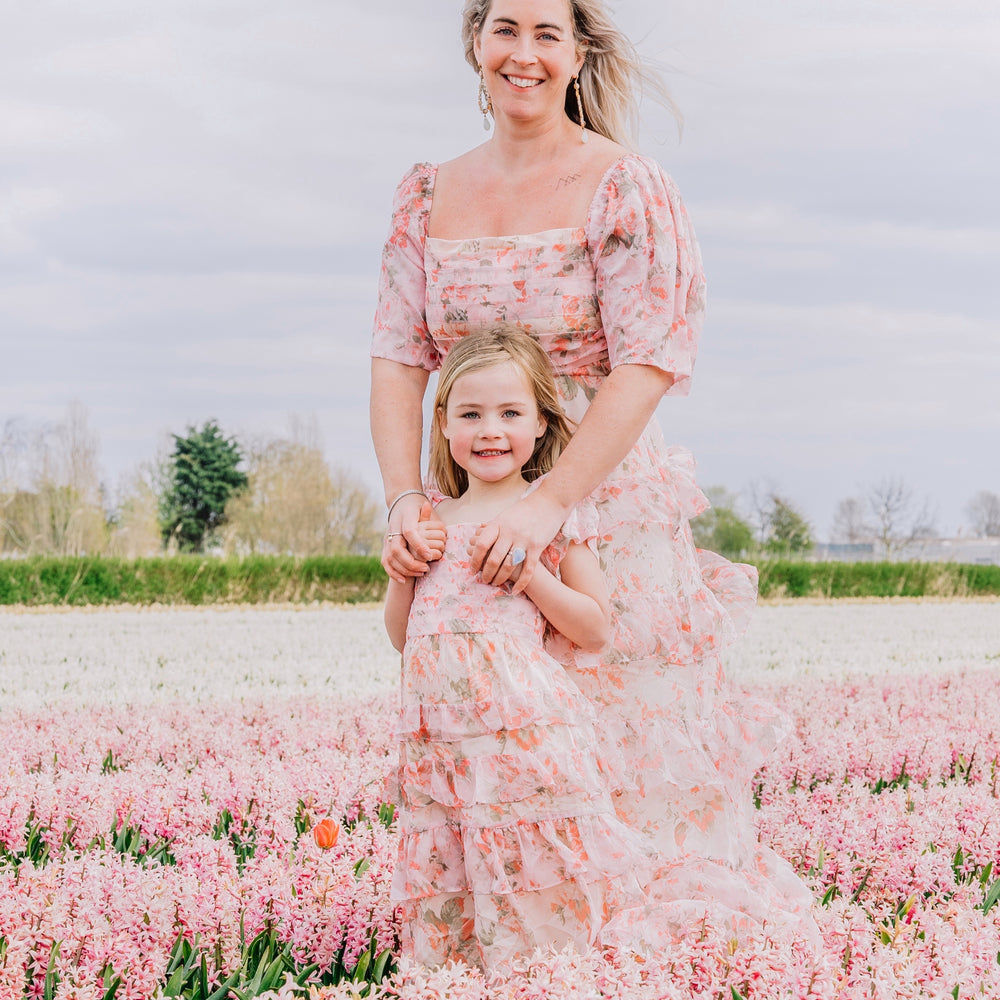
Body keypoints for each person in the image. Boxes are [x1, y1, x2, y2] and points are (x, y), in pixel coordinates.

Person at [371, 0, 815, 958]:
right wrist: (406, 500)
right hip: (477, 505)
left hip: (597, 508)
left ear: (578, 52)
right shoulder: (426, 195)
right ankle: (510, 955)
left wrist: (549, 505)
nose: (523, 53)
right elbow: (399, 360)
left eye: (547, 33)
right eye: (506, 29)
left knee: (620, 751)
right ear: (475, 42)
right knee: (501, 751)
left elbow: (648, 362)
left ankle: (636, 962)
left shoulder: (624, 187)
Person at [383, 326, 648, 970]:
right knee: (458, 860)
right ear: (443, 424)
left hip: (519, 737)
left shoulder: (547, 514)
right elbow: (403, 637)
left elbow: (596, 627)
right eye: (470, 414)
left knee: (526, 858)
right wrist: (400, 576)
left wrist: (532, 575)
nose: (490, 431)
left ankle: (546, 971)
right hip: (443, 744)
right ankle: (468, 976)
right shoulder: (429, 519)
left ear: (540, 421)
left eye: (510, 413)